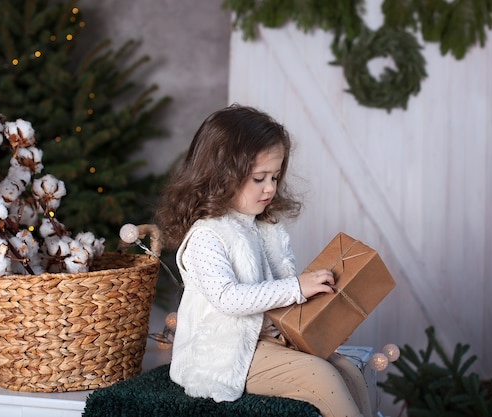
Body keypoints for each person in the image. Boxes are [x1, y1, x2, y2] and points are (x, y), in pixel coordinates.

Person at [154, 104, 372, 417]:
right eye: (259, 178)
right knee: (322, 377)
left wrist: (323, 324)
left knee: (349, 370)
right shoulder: (206, 236)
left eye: (275, 176)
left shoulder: (265, 230)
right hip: (224, 355)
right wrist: (297, 286)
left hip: (267, 342)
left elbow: (279, 304)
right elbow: (229, 299)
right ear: (221, 177)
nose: (270, 188)